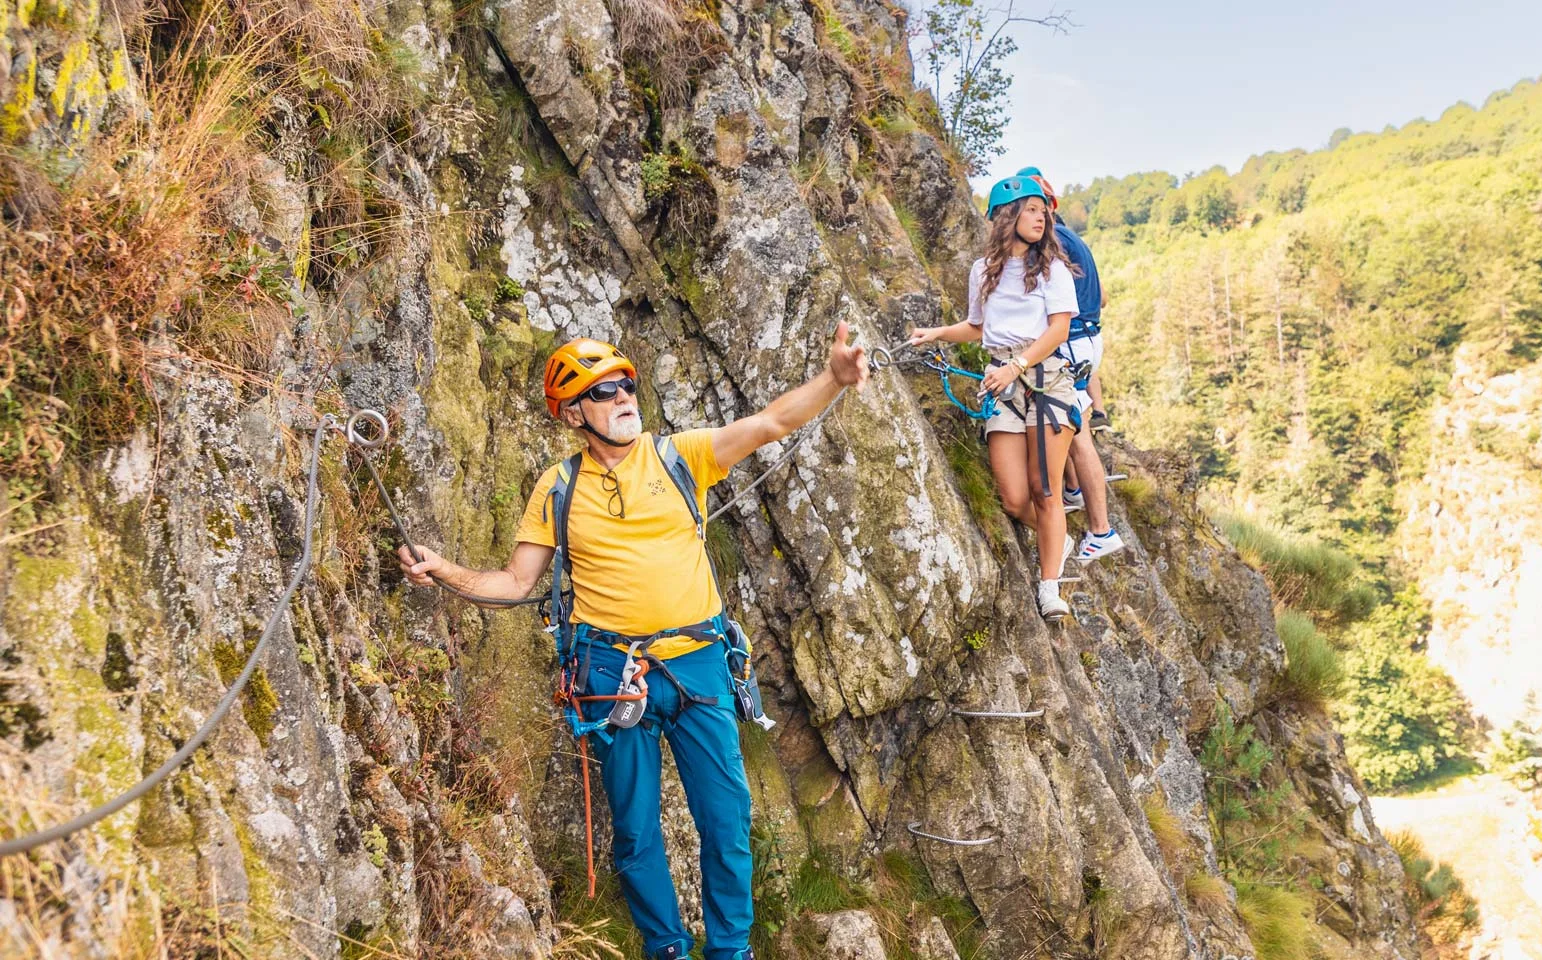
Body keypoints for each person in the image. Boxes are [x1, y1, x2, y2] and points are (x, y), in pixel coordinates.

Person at [396, 328, 869, 960]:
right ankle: (665, 949)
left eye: (626, 384)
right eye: (604, 390)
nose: (623, 397)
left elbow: (768, 423)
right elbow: (515, 581)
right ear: (572, 414)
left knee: (726, 823)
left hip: (700, 662)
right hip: (610, 672)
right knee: (637, 833)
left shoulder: (681, 457)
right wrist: (445, 571)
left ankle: (731, 951)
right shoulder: (558, 488)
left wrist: (834, 377)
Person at [908, 174, 1081, 621]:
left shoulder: (1053, 270)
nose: (1041, 218)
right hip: (1002, 382)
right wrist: (936, 335)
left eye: (1044, 212)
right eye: (1031, 210)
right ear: (1007, 216)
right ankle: (1057, 540)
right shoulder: (983, 270)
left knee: (1045, 490)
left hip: (1044, 382)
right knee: (1013, 497)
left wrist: (1016, 367)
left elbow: (1058, 329)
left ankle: (1050, 588)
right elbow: (978, 326)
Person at [1017, 166, 1126, 563]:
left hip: (1074, 342)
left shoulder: (1056, 241)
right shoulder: (1074, 240)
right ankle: (1076, 491)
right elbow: (1104, 296)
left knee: (1077, 435)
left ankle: (1101, 530)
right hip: (1087, 338)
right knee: (1075, 425)